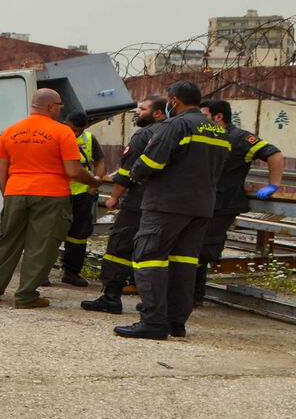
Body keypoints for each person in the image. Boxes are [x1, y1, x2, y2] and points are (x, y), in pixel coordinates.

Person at [115, 81, 228, 339]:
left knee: (149, 257)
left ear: (174, 100)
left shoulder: (175, 125)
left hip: (167, 205)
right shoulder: (218, 130)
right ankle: (176, 322)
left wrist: (136, 173)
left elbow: (151, 161)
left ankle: (153, 322)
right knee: (184, 263)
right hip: (201, 207)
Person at [0, 89, 103, 308]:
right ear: (50, 107)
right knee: (42, 245)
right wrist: (93, 181)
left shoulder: (10, 131)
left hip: (16, 192)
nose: (60, 109)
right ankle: (26, 295)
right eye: (59, 105)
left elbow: (1, 168)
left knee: (7, 242)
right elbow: (74, 171)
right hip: (51, 195)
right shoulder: (62, 132)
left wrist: (7, 194)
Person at [81, 96, 167, 314]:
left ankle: (111, 297)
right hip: (166, 204)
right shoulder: (178, 132)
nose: (138, 112)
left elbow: (127, 173)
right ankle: (154, 302)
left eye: (143, 109)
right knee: (156, 252)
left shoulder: (144, 134)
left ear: (157, 113)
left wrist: (114, 197)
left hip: (138, 202)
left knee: (119, 247)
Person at [195, 99, 284, 303]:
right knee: (192, 246)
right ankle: (191, 295)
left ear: (218, 117)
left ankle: (195, 296)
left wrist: (274, 184)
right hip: (202, 201)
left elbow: (274, 154)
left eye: (204, 115)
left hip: (224, 204)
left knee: (205, 248)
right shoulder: (205, 135)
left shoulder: (240, 138)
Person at [59, 110, 107, 287]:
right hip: (57, 193)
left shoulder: (88, 139)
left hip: (81, 194)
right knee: (49, 232)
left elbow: (100, 162)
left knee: (79, 234)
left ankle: (72, 272)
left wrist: (94, 186)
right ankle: (41, 273)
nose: (77, 134)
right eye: (74, 130)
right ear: (65, 123)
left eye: (80, 130)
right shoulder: (57, 135)